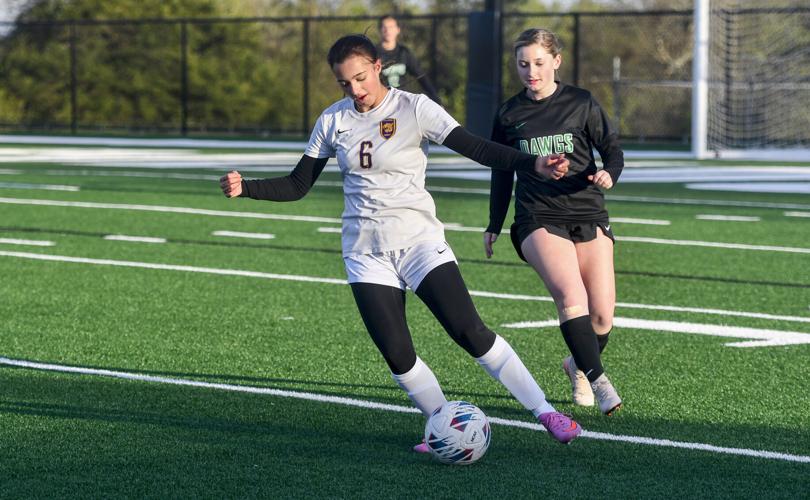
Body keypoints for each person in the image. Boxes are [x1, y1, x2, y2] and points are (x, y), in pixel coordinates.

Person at [220, 34, 582, 449]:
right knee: (397, 353)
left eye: (360, 78)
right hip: (364, 253)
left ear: (378, 66)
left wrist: (532, 162)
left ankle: (546, 412)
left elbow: (478, 149)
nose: (355, 91)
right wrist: (245, 187)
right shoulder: (332, 121)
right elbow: (298, 185)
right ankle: (446, 427)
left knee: (468, 331)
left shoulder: (414, 107)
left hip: (419, 243)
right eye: (344, 84)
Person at [484, 28, 624, 415]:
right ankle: (600, 382)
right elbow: (501, 170)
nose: (531, 71)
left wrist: (610, 173)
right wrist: (495, 222)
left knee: (601, 315)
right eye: (523, 64)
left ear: (556, 61)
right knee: (570, 297)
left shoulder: (581, 102)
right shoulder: (509, 113)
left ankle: (577, 365)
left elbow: (611, 147)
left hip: (588, 211)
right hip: (537, 216)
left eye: (539, 63)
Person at [376, 15, 442, 104]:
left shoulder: (404, 53)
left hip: (401, 102)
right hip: (381, 103)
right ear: (380, 30)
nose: (388, 30)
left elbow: (421, 76)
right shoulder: (374, 53)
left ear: (398, 30)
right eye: (385, 27)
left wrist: (436, 99)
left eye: (391, 27)